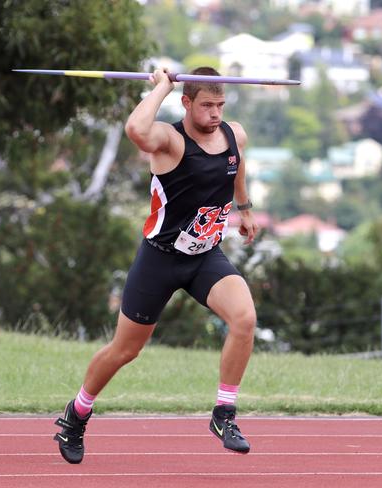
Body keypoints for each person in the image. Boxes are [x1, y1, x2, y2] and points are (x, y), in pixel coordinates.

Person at [53, 66, 259, 464]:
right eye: (206, 106)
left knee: (245, 318)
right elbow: (135, 129)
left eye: (220, 105)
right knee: (125, 351)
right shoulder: (168, 140)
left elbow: (237, 162)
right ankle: (76, 413)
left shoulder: (234, 134)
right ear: (186, 103)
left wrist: (245, 207)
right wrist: (162, 86)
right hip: (160, 261)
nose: (215, 114)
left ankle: (224, 414)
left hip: (204, 257)